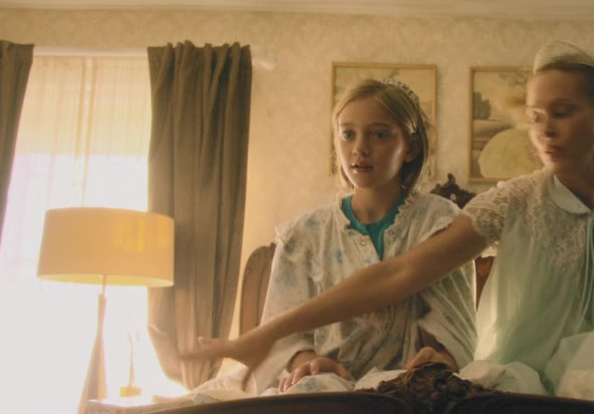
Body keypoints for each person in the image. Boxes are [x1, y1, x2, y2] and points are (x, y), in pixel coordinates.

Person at [189, 42, 594, 414]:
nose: (545, 131)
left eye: (563, 112)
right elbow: (398, 274)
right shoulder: (513, 201)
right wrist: (271, 336)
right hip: (536, 387)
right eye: (535, 117)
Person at [198, 77, 477, 396]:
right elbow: (283, 333)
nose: (360, 148)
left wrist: (442, 357)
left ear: (410, 147)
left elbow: (457, 325)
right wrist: (308, 361)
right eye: (348, 134)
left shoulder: (440, 223)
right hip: (323, 385)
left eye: (379, 134)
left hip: (409, 386)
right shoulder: (303, 235)